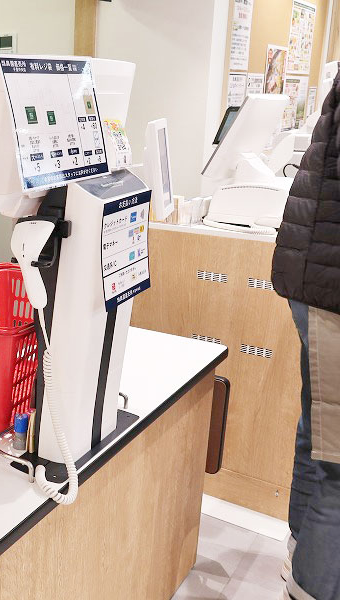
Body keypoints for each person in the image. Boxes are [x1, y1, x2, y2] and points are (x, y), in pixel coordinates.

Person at [271, 70, 340, 600]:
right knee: (337, 463)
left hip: (318, 282)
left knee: (319, 433)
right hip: (328, 291)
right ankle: (311, 585)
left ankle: (300, 555)